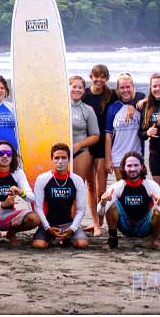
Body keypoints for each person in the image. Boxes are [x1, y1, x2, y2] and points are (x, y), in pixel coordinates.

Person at [98, 151, 160, 250]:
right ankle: (112, 240)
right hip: (125, 225)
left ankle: (155, 241)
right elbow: (100, 211)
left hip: (145, 225)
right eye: (129, 165)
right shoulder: (118, 186)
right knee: (111, 205)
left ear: (142, 167)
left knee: (159, 211)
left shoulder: (151, 185)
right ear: (123, 168)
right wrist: (103, 202)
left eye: (136, 165)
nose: (133, 169)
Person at [0, 140, 39, 246]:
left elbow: (33, 199)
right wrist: (2, 205)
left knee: (35, 219)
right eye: (1, 153)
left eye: (9, 154)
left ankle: (11, 233)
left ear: (13, 156)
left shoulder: (18, 173)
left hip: (11, 215)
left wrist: (21, 193)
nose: (5, 156)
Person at [31, 143, 90, 249]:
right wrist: (47, 227)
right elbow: (38, 207)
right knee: (39, 245)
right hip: (49, 224)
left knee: (82, 244)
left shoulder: (77, 180)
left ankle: (66, 239)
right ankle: (52, 239)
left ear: (69, 159)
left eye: (64, 158)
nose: (60, 161)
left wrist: (72, 228)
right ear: (52, 159)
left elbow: (81, 209)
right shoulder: (43, 179)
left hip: (68, 224)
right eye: (56, 158)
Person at [138, 72, 160, 240]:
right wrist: (148, 132)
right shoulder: (147, 107)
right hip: (155, 154)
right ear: (150, 89)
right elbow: (141, 134)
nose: (158, 89)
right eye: (155, 86)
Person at [82, 64, 117, 231]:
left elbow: (130, 98)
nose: (99, 80)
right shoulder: (84, 94)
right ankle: (95, 223)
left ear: (107, 79)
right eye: (96, 76)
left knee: (101, 188)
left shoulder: (111, 95)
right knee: (90, 185)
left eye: (103, 77)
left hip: (103, 144)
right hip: (87, 143)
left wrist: (135, 105)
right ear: (91, 77)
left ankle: (101, 221)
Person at [68, 76, 101, 237]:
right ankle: (63, 223)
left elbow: (96, 135)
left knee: (76, 189)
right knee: (60, 189)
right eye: (74, 87)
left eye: (80, 87)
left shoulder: (87, 110)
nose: (77, 90)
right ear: (68, 87)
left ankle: (75, 225)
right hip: (60, 153)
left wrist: (79, 145)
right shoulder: (59, 107)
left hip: (81, 152)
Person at [105, 72, 145, 180]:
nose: (125, 90)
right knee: (123, 190)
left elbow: (151, 98)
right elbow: (108, 135)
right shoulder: (113, 108)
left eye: (128, 87)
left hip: (137, 155)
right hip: (118, 155)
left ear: (133, 87)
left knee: (137, 188)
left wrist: (133, 104)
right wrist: (108, 160)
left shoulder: (140, 105)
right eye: (122, 87)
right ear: (117, 89)